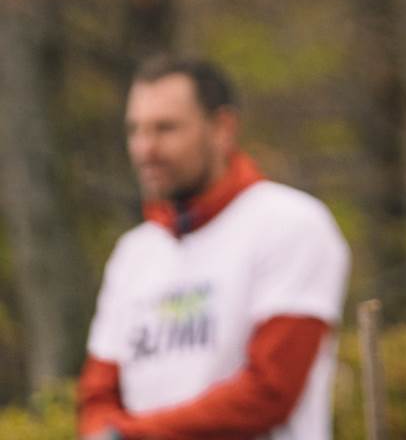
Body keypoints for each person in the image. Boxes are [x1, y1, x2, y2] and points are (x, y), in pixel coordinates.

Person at [77, 57, 350, 440]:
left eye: (166, 129)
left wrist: (133, 436)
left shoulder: (291, 224)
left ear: (222, 129)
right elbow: (97, 395)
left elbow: (270, 391)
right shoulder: (133, 253)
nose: (145, 149)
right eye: (135, 130)